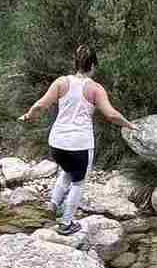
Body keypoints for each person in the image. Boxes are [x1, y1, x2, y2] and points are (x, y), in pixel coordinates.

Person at [20, 46, 130, 234]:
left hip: (57, 143)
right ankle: (66, 223)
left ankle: (53, 204)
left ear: (75, 63)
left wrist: (28, 116)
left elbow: (41, 105)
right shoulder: (95, 89)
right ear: (93, 65)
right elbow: (111, 115)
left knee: (66, 170)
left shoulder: (61, 83)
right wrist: (129, 124)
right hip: (80, 144)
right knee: (78, 183)